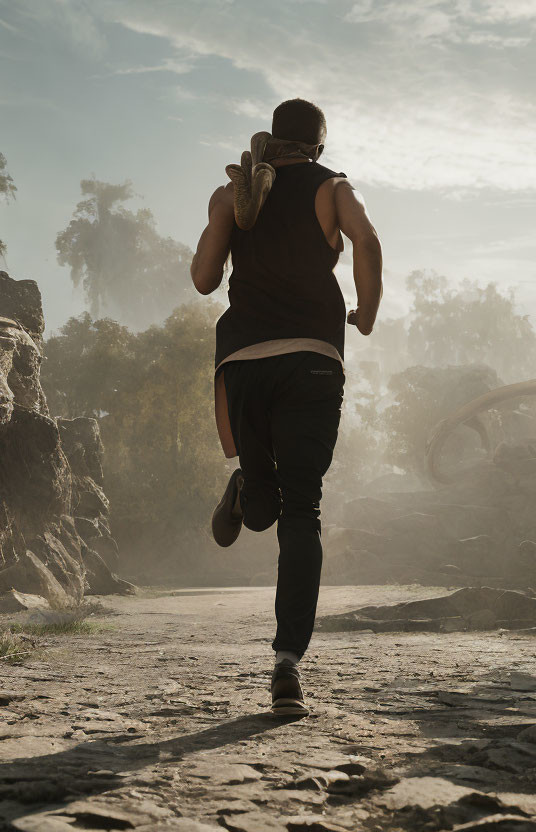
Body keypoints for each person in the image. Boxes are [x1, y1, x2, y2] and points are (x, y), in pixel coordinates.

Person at [189, 98, 382, 716]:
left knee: (279, 507)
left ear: (272, 141)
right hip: (313, 362)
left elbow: (201, 279)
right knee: (297, 509)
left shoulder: (234, 194)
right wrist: (367, 313)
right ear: (319, 148)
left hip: (245, 361)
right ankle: (287, 662)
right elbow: (368, 241)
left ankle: (249, 486)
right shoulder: (332, 188)